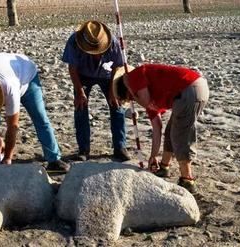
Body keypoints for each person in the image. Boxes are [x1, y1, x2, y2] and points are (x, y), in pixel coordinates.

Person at [0, 52, 70, 173]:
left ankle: (54, 159)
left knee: (40, 118)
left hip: (27, 78)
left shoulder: (10, 87)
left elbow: (13, 127)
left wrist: (8, 158)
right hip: (1, 75)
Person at [112, 64, 209, 193]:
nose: (132, 100)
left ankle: (187, 180)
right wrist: (153, 156)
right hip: (189, 91)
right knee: (171, 131)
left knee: (181, 135)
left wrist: (130, 87)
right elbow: (157, 128)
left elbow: (145, 102)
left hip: (190, 89)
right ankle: (164, 166)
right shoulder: (149, 96)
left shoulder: (134, 77)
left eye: (130, 97)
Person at [62, 20, 130, 162]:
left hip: (107, 75)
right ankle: (83, 149)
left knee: (117, 107)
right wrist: (79, 91)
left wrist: (113, 90)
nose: (96, 54)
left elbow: (117, 67)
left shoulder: (113, 42)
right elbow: (72, 68)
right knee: (80, 108)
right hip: (83, 75)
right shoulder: (74, 42)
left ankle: (120, 147)